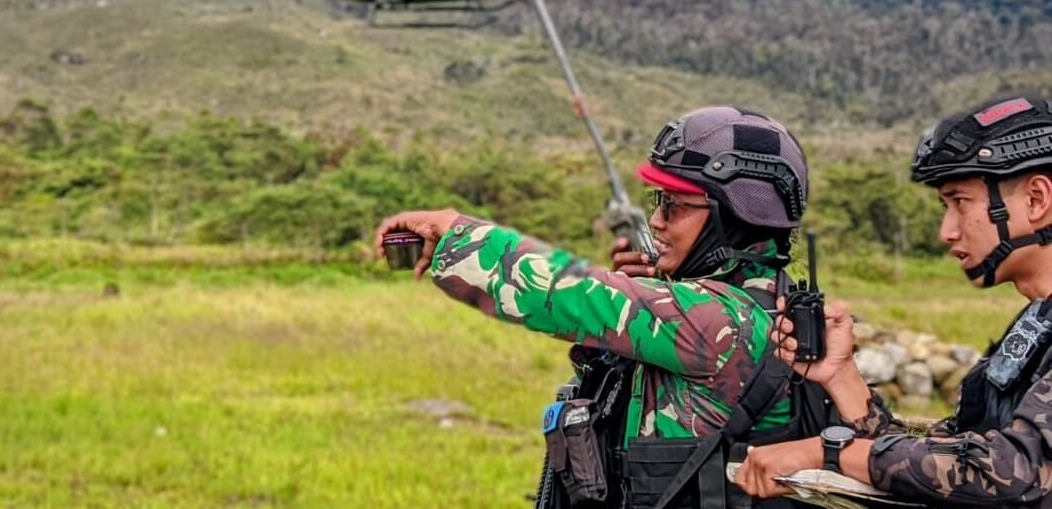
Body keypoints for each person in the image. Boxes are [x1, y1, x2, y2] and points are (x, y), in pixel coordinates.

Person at [376, 107, 823, 508]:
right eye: (657, 201)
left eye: (674, 205)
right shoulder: (762, 302)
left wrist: (455, 232)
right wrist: (662, 288)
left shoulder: (720, 319)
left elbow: (569, 294)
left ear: (736, 218)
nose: (656, 221)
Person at [734, 95, 1052, 506]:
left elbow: (1016, 472)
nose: (946, 231)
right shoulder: (1035, 323)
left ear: (1037, 200)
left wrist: (831, 452)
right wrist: (842, 377)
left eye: (960, 203)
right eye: (944, 206)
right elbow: (945, 461)